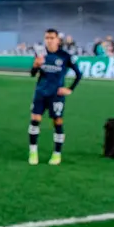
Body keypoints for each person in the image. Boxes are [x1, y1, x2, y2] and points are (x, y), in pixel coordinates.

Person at [28, 29, 82, 165]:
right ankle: (33, 152)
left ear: (58, 40)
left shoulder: (65, 56)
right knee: (35, 120)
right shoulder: (41, 55)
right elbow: (33, 74)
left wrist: (70, 89)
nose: (49, 40)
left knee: (57, 122)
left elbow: (79, 74)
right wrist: (35, 66)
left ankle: (57, 154)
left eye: (52, 37)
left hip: (56, 95)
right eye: (47, 37)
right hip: (40, 93)